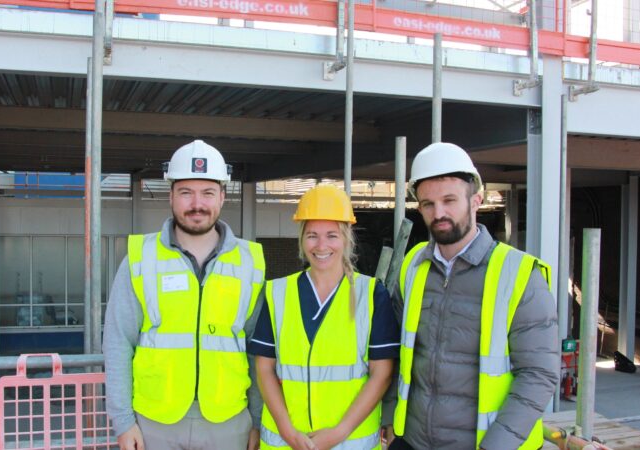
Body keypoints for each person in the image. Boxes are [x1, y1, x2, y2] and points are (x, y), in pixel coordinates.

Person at [388, 142, 560, 450]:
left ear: (476, 200)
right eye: (428, 204)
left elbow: (538, 375)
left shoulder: (520, 275)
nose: (438, 213)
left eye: (449, 200)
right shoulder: (413, 265)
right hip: (412, 441)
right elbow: (398, 354)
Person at [103, 140, 266, 450]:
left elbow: (257, 350)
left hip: (229, 420)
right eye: (186, 192)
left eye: (207, 193)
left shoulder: (250, 261)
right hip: (154, 421)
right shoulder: (140, 257)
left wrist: (256, 420)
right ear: (171, 196)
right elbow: (117, 342)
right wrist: (123, 421)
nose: (197, 204)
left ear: (222, 195)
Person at [249, 184, 399, 450]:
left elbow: (382, 373)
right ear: (301, 239)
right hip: (285, 442)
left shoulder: (372, 294)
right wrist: (287, 430)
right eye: (312, 236)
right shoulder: (277, 293)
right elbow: (264, 368)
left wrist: (339, 432)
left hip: (349, 442)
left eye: (331, 235)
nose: (321, 246)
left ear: (346, 238)